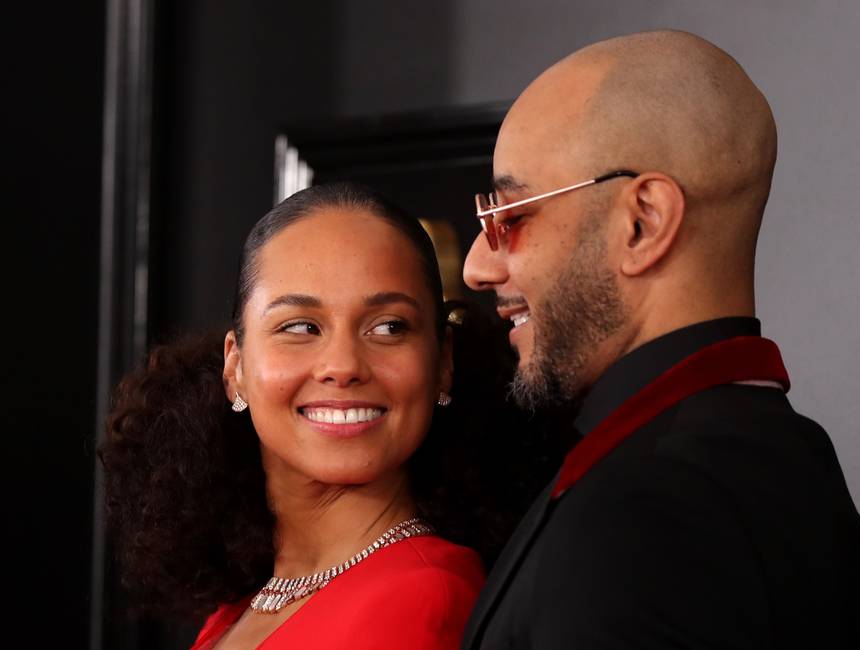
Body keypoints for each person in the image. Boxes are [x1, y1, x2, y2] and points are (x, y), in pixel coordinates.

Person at [461, 30, 860, 649]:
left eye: (511, 215)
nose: (479, 265)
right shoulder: (786, 454)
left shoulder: (642, 510)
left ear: (643, 224)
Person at [100, 182, 571, 649]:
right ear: (235, 368)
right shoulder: (244, 606)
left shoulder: (420, 600)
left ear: (443, 362)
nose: (343, 366)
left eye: (389, 327)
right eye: (300, 326)